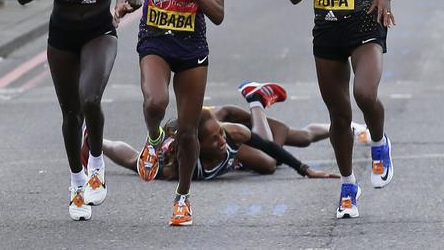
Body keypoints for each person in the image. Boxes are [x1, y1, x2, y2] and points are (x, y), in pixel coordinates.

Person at [282, 0, 418, 219]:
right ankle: (347, 186)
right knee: (339, 116)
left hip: (365, 28)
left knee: (364, 94)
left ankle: (378, 142)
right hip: (327, 32)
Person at [17, 0, 139, 221]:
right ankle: (76, 183)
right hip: (63, 35)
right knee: (71, 114)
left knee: (90, 98)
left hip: (101, 29)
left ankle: (97, 163)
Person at [114, 0, 225, 226]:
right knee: (155, 103)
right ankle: (153, 140)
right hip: (155, 41)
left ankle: (183, 197)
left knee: (189, 131)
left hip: (192, 48)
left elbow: (218, 14)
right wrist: (122, 2)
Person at [83, 81, 362, 181]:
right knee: (140, 166)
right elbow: (131, 158)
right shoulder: (177, 167)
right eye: (215, 139)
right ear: (196, 146)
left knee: (282, 151)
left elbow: (262, 143)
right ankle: (90, 136)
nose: (220, 140)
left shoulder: (229, 134)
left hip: (229, 122)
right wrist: (97, 142)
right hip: (192, 134)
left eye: (220, 136)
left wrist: (304, 169)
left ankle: (255, 101)